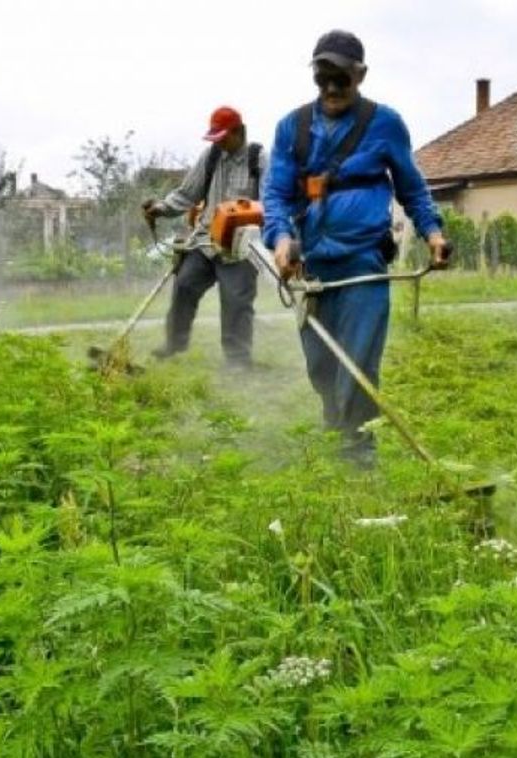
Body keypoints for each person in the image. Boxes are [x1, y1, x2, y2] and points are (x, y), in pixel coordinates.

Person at [262, 29, 448, 467]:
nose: (330, 88)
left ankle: (359, 460)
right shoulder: (292, 127)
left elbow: (413, 189)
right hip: (312, 270)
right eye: (322, 77)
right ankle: (337, 446)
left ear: (360, 75)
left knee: (357, 367)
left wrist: (434, 233)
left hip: (364, 263)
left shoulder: (385, 124)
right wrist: (282, 238)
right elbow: (275, 195)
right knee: (322, 368)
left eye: (340, 78)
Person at [143, 106, 267, 369]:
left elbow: (271, 203)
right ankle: (174, 343)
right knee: (185, 285)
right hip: (206, 240)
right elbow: (188, 193)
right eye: (215, 137)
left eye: (223, 136)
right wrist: (162, 208)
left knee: (236, 300)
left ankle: (237, 360)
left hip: (240, 247)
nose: (219, 142)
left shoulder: (259, 160)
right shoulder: (211, 157)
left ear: (239, 132)